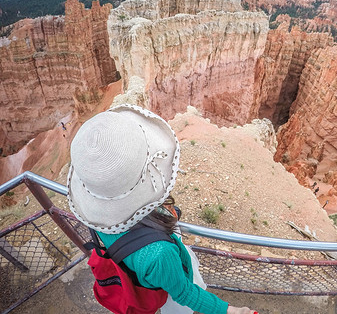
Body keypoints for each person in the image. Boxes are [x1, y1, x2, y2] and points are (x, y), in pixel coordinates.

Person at [67, 104, 256, 314]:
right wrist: (233, 311)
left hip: (144, 268)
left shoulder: (96, 214)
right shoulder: (159, 254)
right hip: (165, 284)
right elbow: (185, 294)